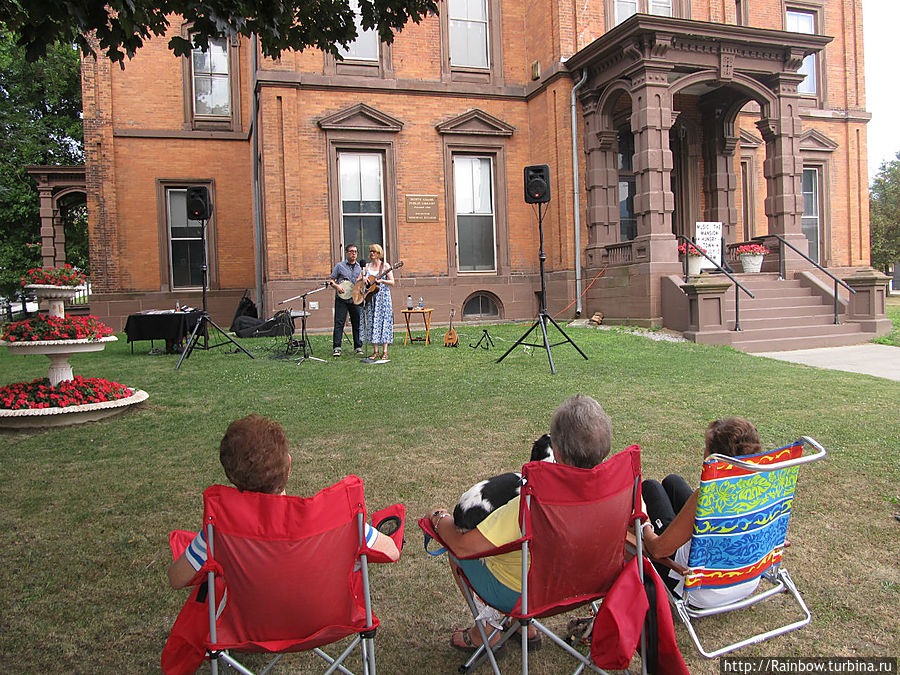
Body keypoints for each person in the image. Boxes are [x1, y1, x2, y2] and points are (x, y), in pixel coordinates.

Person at [426, 395, 613, 651]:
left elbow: (464, 547)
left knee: (456, 547)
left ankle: (486, 632)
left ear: (555, 450)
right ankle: (527, 628)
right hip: (585, 585)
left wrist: (438, 520)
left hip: (530, 594)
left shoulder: (530, 504)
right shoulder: (619, 493)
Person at [167, 414, 399, 589]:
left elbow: (176, 579)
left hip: (248, 627)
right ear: (289, 466)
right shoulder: (336, 519)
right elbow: (391, 551)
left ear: (231, 477)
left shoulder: (219, 532)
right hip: (325, 619)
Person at [640, 417, 763, 609]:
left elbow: (658, 550)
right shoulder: (764, 487)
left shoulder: (709, 497)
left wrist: (644, 521)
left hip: (700, 590)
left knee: (651, 488)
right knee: (673, 482)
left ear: (715, 457)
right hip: (747, 581)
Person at [327, 244, 363, 357]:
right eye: (351, 251)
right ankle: (337, 348)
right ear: (346, 253)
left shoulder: (360, 267)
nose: (354, 254)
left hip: (355, 298)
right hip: (342, 299)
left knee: (357, 323)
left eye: (356, 252)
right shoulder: (339, 266)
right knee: (339, 323)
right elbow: (331, 280)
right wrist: (337, 287)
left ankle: (358, 346)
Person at [360, 243, 394, 361]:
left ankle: (385, 351)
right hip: (370, 297)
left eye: (374, 251)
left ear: (379, 253)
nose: (371, 253)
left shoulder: (385, 266)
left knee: (383, 322)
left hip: (382, 298)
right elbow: (358, 279)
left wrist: (382, 281)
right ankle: (375, 351)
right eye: (370, 251)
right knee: (371, 322)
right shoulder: (367, 267)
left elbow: (392, 281)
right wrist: (363, 279)